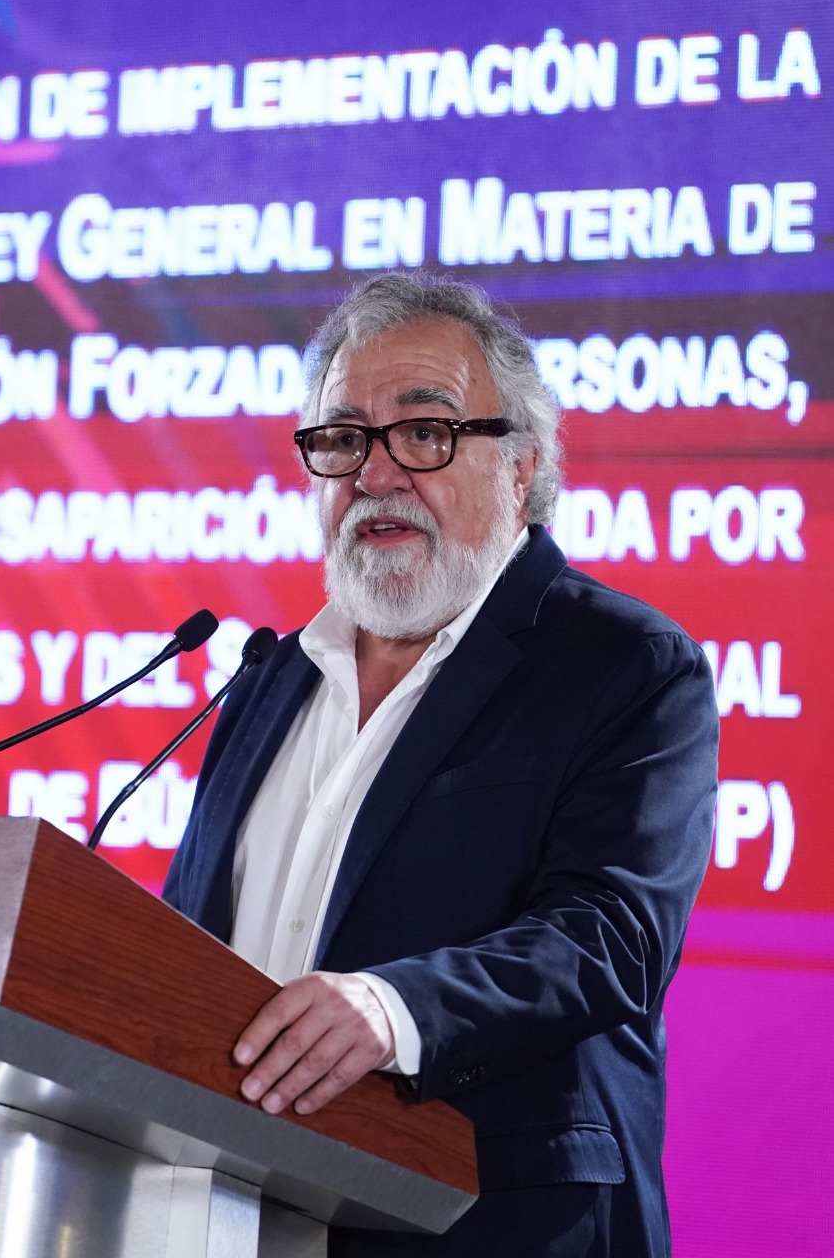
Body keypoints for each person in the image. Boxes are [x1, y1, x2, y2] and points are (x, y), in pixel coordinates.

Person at [163, 271, 719, 1257]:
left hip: (494, 1220)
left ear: (521, 466)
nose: (374, 474)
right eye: (340, 439)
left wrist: (390, 1008)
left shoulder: (623, 662)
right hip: (231, 1221)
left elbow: (611, 935)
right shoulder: (268, 679)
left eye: (423, 433)